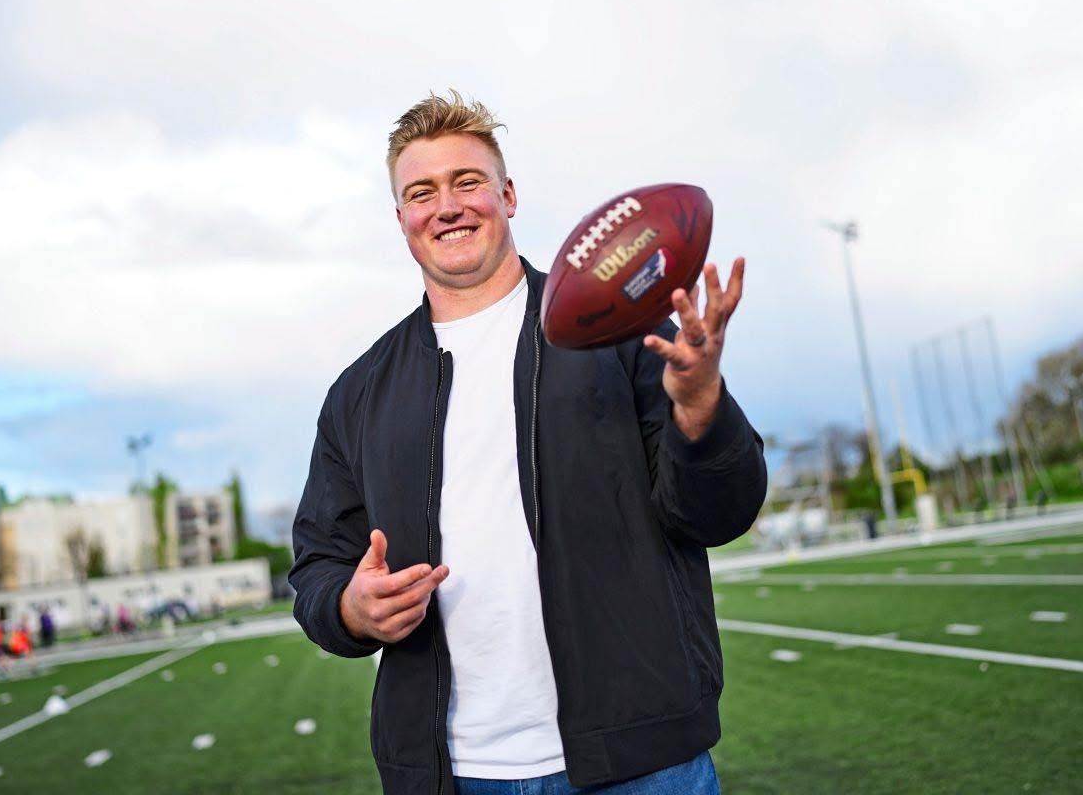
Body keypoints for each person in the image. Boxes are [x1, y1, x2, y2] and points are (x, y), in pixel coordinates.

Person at [290, 91, 767, 795]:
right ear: (402, 221)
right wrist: (350, 609)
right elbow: (318, 568)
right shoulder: (359, 394)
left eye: (468, 182)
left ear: (507, 194)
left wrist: (700, 408)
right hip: (455, 773)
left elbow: (716, 514)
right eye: (421, 192)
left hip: (641, 761)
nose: (447, 206)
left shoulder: (619, 335)